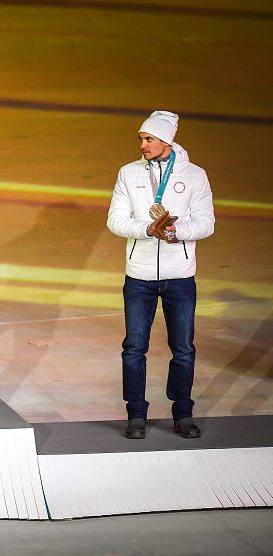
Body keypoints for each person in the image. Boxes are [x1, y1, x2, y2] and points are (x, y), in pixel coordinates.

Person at [107, 110, 215, 440]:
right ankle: (136, 414)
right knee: (134, 347)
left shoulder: (195, 175)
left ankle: (182, 413)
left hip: (180, 276)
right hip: (139, 275)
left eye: (148, 138)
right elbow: (115, 221)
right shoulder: (129, 173)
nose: (142, 144)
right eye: (141, 138)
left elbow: (206, 223)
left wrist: (174, 231)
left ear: (166, 140)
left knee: (182, 348)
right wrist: (148, 229)